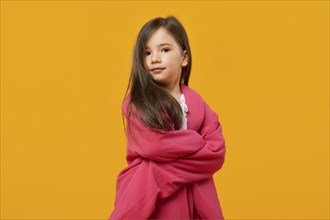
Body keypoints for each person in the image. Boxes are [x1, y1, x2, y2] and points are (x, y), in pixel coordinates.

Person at [109, 16, 226, 220]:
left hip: (196, 196)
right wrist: (196, 141)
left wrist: (159, 167)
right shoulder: (137, 103)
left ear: (184, 58)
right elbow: (154, 145)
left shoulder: (197, 103)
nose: (155, 58)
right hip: (152, 198)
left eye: (164, 50)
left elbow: (216, 152)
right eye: (147, 53)